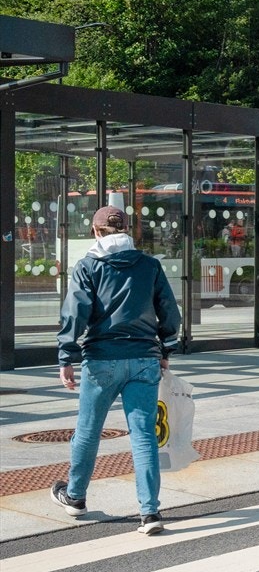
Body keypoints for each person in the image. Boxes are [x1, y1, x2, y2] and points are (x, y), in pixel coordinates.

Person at [54, 205, 180, 535]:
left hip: (101, 360)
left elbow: (75, 314)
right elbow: (168, 310)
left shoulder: (88, 266)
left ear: (96, 232)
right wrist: (166, 349)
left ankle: (75, 497)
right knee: (144, 436)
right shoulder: (149, 265)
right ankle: (150, 513)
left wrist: (66, 357)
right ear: (127, 231)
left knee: (88, 431)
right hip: (144, 359)